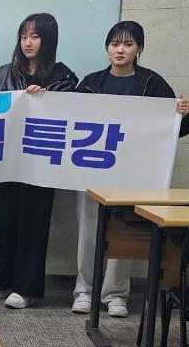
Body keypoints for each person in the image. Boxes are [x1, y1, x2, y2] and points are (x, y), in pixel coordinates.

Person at [72, 21, 189, 318]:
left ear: (139, 48)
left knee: (121, 232)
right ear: (107, 47)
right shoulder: (91, 83)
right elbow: (68, 118)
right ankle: (84, 291)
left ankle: (115, 294)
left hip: (132, 172)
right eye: (114, 44)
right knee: (88, 232)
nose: (120, 50)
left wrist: (182, 114)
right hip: (91, 168)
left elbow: (175, 128)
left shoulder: (152, 83)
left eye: (128, 44)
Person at [0, 13, 78, 309]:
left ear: (48, 40)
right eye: (24, 36)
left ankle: (26, 287)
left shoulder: (63, 77)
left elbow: (66, 117)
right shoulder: (5, 73)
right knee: (5, 221)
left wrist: (46, 97)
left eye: (35, 37)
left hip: (40, 163)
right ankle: (5, 279)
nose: (28, 43)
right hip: (4, 160)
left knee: (33, 223)